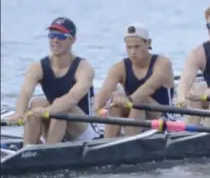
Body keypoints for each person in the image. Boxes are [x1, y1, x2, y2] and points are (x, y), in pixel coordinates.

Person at [4, 17, 99, 146]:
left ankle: (48, 152)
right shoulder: (37, 67)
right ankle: (28, 149)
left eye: (61, 36)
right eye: (52, 35)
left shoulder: (84, 68)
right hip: (55, 123)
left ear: (73, 40)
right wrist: (20, 112)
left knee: (61, 107)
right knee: (36, 104)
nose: (55, 40)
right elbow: (25, 92)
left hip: (82, 131)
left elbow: (72, 98)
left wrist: (49, 110)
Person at [93, 23, 174, 138]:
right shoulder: (119, 68)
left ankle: (129, 142)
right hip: (136, 114)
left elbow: (149, 87)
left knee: (139, 100)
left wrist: (128, 100)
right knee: (116, 106)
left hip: (163, 117)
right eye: (129, 47)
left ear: (148, 43)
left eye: (137, 47)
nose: (132, 52)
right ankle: (107, 142)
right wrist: (100, 109)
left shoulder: (163, 63)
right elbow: (103, 95)